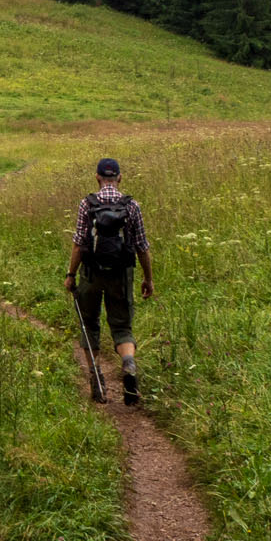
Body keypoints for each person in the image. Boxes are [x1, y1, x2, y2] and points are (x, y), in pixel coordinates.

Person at [63, 157, 153, 405]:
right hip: (121, 275)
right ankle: (129, 364)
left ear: (97, 177)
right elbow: (142, 247)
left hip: (91, 274)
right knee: (122, 327)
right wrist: (148, 279)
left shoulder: (87, 204)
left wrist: (71, 275)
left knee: (89, 324)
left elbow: (80, 244)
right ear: (120, 178)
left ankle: (97, 382)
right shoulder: (131, 206)